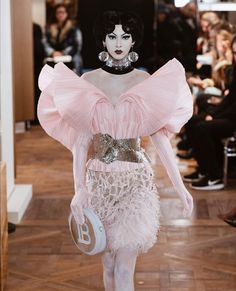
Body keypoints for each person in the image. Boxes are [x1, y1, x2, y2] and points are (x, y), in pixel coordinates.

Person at [37, 10, 193, 291]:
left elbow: (160, 139)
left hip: (135, 183)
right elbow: (81, 143)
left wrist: (180, 187)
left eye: (125, 36)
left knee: (124, 268)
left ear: (133, 42)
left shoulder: (145, 83)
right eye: (112, 36)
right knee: (108, 263)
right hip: (99, 183)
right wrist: (79, 188)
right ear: (103, 41)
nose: (118, 42)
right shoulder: (88, 82)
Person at [183, 36, 236, 190]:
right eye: (234, 52)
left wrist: (214, 115)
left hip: (233, 120)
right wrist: (214, 112)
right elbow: (229, 100)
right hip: (230, 115)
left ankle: (215, 176)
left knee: (203, 128)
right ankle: (204, 169)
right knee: (193, 121)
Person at [43, 3, 80, 70]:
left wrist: (63, 53)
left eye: (62, 12)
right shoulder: (49, 27)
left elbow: (76, 45)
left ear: (67, 13)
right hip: (53, 57)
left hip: (70, 57)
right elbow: (45, 42)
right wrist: (52, 52)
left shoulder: (73, 27)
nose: (60, 14)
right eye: (58, 12)